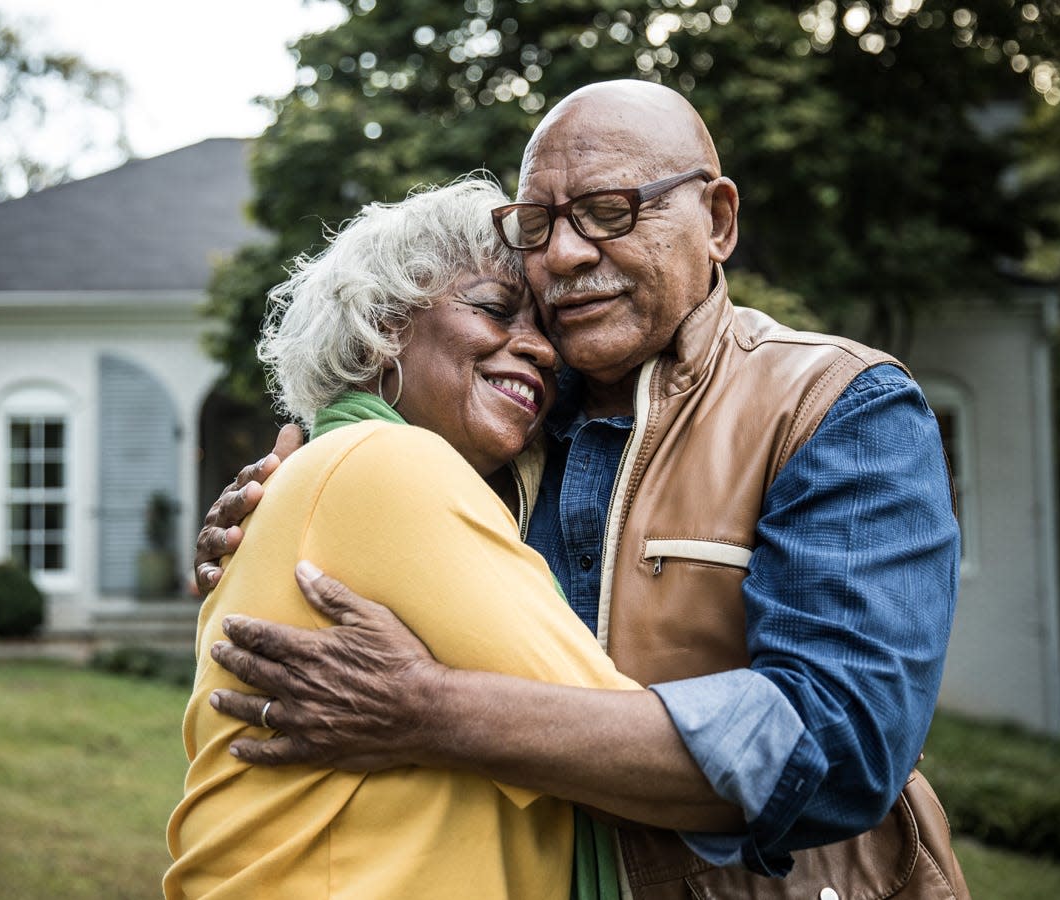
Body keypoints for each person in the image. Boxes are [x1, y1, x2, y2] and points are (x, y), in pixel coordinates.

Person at [198, 81, 967, 894]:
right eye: (538, 224)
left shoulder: (834, 404)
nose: (561, 255)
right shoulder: (495, 428)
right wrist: (278, 517)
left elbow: (838, 745)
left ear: (718, 220)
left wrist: (430, 712)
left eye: (608, 210)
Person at [163, 177, 691, 900]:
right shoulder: (388, 463)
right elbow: (647, 762)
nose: (542, 350)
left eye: (547, 330)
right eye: (497, 309)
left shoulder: (331, 472)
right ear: (383, 322)